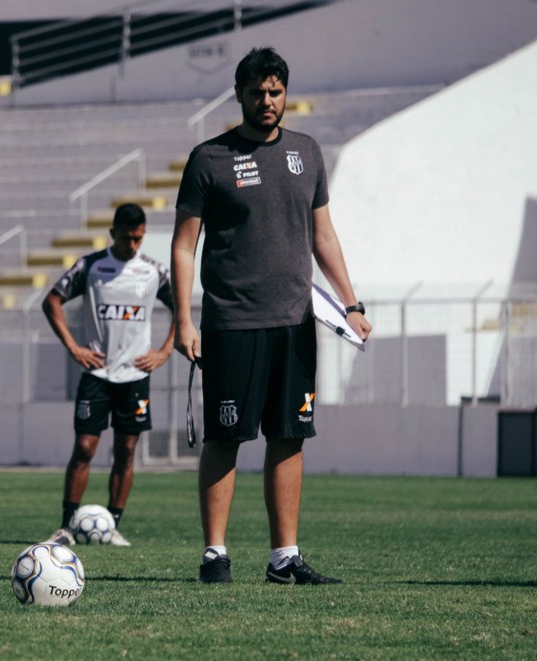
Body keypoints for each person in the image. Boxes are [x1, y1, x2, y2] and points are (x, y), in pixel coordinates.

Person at [170, 47, 372, 584]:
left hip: (295, 321)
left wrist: (349, 302)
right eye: (257, 91)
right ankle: (215, 554)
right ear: (239, 94)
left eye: (275, 91)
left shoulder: (307, 151)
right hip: (231, 323)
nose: (267, 100)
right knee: (226, 436)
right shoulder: (209, 158)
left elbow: (323, 235)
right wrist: (184, 322)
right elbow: (185, 246)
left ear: (286, 93)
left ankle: (284, 558)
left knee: (290, 435)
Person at [43, 203, 175, 547]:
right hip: (97, 372)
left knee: (126, 452)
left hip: (135, 375)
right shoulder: (91, 266)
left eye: (139, 239)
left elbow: (181, 309)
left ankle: (112, 524)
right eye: (128, 238)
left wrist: (163, 351)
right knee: (85, 448)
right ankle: (66, 527)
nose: (133, 245)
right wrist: (74, 347)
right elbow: (52, 301)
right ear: (113, 233)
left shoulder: (153, 272)